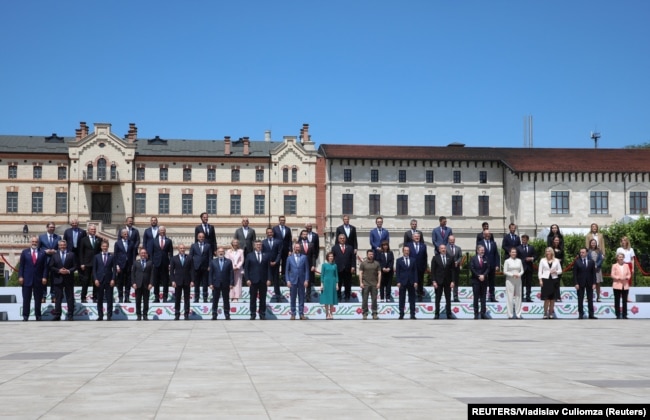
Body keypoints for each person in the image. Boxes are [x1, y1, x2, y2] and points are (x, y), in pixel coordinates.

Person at [18, 236, 48, 321]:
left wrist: (44, 277)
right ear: (30, 242)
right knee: (26, 299)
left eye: (36, 242)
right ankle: (25, 316)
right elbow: (21, 266)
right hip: (26, 280)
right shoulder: (25, 252)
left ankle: (38, 315)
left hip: (38, 280)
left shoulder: (42, 252)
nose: (34, 243)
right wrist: (20, 276)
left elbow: (45, 267)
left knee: (38, 299)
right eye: (33, 242)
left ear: (38, 243)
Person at [49, 239, 77, 321]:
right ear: (58, 246)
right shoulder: (54, 255)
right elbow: (51, 266)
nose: (62, 246)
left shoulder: (71, 254)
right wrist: (59, 270)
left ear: (66, 245)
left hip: (68, 279)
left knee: (70, 298)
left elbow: (75, 266)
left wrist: (68, 271)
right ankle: (57, 315)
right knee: (58, 298)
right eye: (61, 245)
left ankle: (70, 315)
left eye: (64, 245)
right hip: (58, 279)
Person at [244, 240, 271, 320]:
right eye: (257, 245)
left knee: (263, 298)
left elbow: (269, 268)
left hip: (263, 280)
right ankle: (253, 314)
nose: (259, 246)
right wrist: (247, 279)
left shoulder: (266, 255)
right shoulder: (249, 255)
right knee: (253, 298)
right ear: (254, 246)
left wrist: (269, 279)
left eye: (260, 245)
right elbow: (246, 268)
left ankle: (262, 314)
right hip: (253, 280)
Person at [147, 226, 173, 303]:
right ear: (158, 232)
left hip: (165, 263)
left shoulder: (169, 241)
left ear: (165, 231)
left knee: (165, 281)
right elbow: (151, 253)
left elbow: (171, 253)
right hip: (156, 263)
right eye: (161, 230)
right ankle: (156, 297)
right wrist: (152, 262)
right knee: (156, 281)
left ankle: (165, 297)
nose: (162, 232)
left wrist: (170, 263)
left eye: (163, 230)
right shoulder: (154, 241)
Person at [79, 224, 102, 303]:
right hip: (86, 263)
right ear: (88, 231)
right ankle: (83, 297)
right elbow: (81, 252)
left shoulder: (99, 239)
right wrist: (82, 263)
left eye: (94, 229)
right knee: (86, 281)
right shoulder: (83, 240)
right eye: (92, 229)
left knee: (95, 281)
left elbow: (100, 251)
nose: (93, 231)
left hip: (96, 264)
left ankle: (95, 297)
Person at [286, 243, 310, 320]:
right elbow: (286, 271)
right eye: (296, 247)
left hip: (302, 281)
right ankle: (293, 314)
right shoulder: (289, 258)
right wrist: (288, 280)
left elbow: (307, 270)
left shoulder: (304, 257)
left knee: (302, 298)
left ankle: (301, 314)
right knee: (293, 298)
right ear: (294, 248)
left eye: (298, 247)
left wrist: (306, 280)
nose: (297, 249)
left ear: (300, 248)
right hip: (292, 280)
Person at [430, 244, 455, 319]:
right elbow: (433, 271)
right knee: (438, 299)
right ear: (439, 250)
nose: (443, 249)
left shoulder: (450, 258)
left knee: (448, 299)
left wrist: (453, 281)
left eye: (444, 248)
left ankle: (449, 314)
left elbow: (453, 271)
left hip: (448, 281)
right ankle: (437, 314)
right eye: (442, 248)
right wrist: (434, 281)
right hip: (438, 282)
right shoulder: (435, 258)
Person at [210, 247, 234, 320]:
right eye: (219, 251)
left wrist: (231, 283)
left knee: (226, 300)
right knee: (215, 300)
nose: (221, 253)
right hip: (216, 283)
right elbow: (211, 273)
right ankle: (214, 314)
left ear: (224, 253)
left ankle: (227, 314)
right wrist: (210, 283)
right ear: (217, 253)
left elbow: (231, 273)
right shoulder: (213, 261)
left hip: (226, 283)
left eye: (222, 251)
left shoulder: (229, 261)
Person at [170, 243, 193, 320]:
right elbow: (171, 271)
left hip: (187, 281)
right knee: (177, 298)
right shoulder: (174, 258)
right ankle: (177, 314)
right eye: (181, 248)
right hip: (177, 281)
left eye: (183, 248)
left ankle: (186, 314)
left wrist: (192, 280)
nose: (182, 250)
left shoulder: (189, 258)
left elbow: (192, 270)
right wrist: (173, 281)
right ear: (178, 249)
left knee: (187, 298)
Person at [93, 240, 114, 321]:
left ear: (108, 247)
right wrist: (95, 279)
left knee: (109, 299)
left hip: (109, 281)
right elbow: (94, 270)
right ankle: (100, 316)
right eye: (103, 246)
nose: (105, 248)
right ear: (101, 247)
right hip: (99, 280)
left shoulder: (111, 256)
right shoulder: (96, 257)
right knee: (100, 299)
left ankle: (109, 316)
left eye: (106, 246)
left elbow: (114, 269)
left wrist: (113, 279)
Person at [38, 222, 60, 303]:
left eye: (53, 227)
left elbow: (61, 248)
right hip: (44, 261)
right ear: (47, 228)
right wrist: (45, 251)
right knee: (44, 278)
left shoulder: (58, 237)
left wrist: (55, 251)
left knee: (54, 279)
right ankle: (43, 296)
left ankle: (53, 296)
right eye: (50, 227)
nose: (52, 228)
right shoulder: (41, 237)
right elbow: (38, 249)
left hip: (55, 261)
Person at [574, 248, 598, 319]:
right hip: (580, 283)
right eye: (580, 252)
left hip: (589, 283)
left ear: (587, 253)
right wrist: (576, 283)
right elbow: (574, 274)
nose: (581, 253)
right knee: (580, 299)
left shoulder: (591, 262)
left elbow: (593, 273)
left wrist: (594, 283)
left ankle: (591, 314)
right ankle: (580, 314)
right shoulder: (577, 262)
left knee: (590, 299)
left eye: (583, 252)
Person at [538, 247, 561, 319]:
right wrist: (540, 280)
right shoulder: (542, 260)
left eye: (549, 251)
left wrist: (555, 272)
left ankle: (551, 313)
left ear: (551, 252)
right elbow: (540, 271)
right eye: (546, 251)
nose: (547, 252)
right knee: (546, 299)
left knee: (552, 299)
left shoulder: (556, 260)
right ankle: (545, 313)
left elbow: (560, 271)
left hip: (554, 280)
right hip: (545, 280)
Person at [332, 233, 356, 302]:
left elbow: (353, 258)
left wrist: (353, 266)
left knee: (347, 284)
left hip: (348, 269)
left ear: (345, 239)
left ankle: (347, 297)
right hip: (338, 269)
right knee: (338, 284)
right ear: (338, 240)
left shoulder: (350, 247)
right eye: (341, 238)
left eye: (343, 238)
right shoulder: (334, 248)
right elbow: (332, 258)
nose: (342, 239)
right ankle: (338, 297)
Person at [396, 246, 417, 319]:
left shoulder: (413, 260)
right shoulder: (399, 260)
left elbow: (415, 271)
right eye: (405, 250)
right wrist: (398, 281)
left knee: (412, 299)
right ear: (403, 251)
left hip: (411, 281)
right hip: (402, 282)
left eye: (408, 250)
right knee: (402, 299)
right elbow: (397, 272)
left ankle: (412, 314)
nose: (406, 252)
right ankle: (401, 314)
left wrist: (415, 281)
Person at [359, 249, 381, 320]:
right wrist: (361, 282)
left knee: (374, 299)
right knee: (365, 299)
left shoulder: (376, 263)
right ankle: (365, 313)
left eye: (372, 254)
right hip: (365, 284)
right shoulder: (363, 263)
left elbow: (379, 273)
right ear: (367, 255)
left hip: (374, 284)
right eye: (369, 254)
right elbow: (360, 273)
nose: (371, 255)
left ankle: (374, 313)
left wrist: (379, 283)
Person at [190, 232, 212, 303]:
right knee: (197, 284)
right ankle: (196, 298)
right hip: (196, 267)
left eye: (202, 237)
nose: (201, 238)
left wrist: (209, 265)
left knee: (205, 283)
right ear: (197, 237)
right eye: (200, 237)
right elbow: (191, 256)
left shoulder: (208, 246)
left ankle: (205, 298)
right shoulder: (193, 246)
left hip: (205, 267)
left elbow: (210, 257)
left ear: (204, 238)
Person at [114, 228, 135, 303]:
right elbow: (115, 255)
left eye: (127, 234)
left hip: (129, 265)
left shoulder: (131, 243)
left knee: (128, 282)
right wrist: (116, 265)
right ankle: (120, 297)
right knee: (120, 281)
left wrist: (133, 264)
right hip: (120, 265)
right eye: (125, 234)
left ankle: (127, 298)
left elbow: (133, 255)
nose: (126, 235)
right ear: (121, 235)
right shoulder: (117, 243)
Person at [132, 248, 153, 321]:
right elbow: (133, 274)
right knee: (138, 301)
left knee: (146, 300)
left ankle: (145, 315)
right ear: (139, 254)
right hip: (138, 284)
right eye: (142, 253)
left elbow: (152, 274)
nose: (143, 254)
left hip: (146, 285)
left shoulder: (150, 263)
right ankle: (138, 315)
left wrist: (151, 283)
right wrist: (133, 283)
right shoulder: (136, 262)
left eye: (144, 253)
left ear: (146, 254)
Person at [297, 229, 318, 302]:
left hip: (309, 265)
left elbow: (313, 256)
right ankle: (301, 296)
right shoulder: (298, 244)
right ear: (301, 235)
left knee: (308, 281)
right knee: (300, 281)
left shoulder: (311, 244)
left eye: (306, 234)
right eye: (303, 234)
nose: (305, 235)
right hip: (300, 266)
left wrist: (313, 265)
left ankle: (308, 296)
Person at [503, 248, 524, 319]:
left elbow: (522, 270)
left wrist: (519, 274)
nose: (514, 253)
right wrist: (512, 275)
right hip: (510, 280)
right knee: (510, 297)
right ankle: (510, 314)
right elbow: (505, 271)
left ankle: (518, 314)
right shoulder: (507, 261)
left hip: (518, 279)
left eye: (515, 252)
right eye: (512, 252)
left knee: (518, 296)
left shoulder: (519, 260)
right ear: (509, 253)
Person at [262, 227, 282, 302]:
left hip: (275, 264)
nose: (270, 234)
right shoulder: (263, 242)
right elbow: (262, 253)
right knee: (265, 280)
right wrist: (268, 262)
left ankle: (278, 296)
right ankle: (263, 296)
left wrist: (276, 262)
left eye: (271, 232)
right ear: (266, 233)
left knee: (276, 281)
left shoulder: (278, 242)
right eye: (268, 232)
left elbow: (279, 253)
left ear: (273, 233)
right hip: (266, 265)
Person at [470, 245, 490, 319]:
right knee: (476, 298)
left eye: (483, 250)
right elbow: (472, 268)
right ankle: (476, 313)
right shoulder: (473, 259)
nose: (483, 251)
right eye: (481, 250)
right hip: (476, 281)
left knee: (483, 298)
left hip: (484, 281)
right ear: (477, 251)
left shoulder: (486, 258)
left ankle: (483, 313)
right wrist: (479, 276)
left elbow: (488, 268)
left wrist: (483, 275)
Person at [408, 232, 428, 302]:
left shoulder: (423, 246)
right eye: (415, 237)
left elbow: (425, 257)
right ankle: (411, 296)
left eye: (418, 237)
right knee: (411, 282)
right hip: (411, 267)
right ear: (412, 238)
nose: (417, 238)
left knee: (420, 282)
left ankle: (420, 296)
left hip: (420, 267)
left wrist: (425, 266)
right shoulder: (408, 245)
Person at [481, 229, 499, 302]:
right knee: (483, 282)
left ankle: (492, 297)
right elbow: (478, 255)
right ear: (483, 235)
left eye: (489, 234)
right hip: (483, 266)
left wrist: (497, 264)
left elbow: (496, 255)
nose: (487, 235)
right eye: (486, 234)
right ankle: (482, 297)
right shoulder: (480, 243)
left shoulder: (493, 243)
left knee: (492, 282)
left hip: (492, 266)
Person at [611, 252, 631, 319]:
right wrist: (618, 278)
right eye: (619, 257)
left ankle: (624, 315)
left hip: (625, 285)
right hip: (617, 284)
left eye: (622, 257)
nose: (621, 258)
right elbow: (612, 275)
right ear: (617, 258)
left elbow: (629, 274)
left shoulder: (626, 265)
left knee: (624, 301)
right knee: (617, 301)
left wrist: (627, 277)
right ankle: (618, 314)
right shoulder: (614, 265)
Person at [319, 252, 339, 320]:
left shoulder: (335, 265)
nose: (331, 257)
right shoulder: (324, 265)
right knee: (326, 299)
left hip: (333, 282)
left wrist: (337, 284)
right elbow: (322, 275)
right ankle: (327, 313)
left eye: (332, 256)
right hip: (326, 282)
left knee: (332, 298)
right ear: (327, 257)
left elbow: (336, 275)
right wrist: (321, 284)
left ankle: (331, 313)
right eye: (330, 256)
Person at [516, 234, 536, 302]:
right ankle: (521, 297)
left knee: (529, 284)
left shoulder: (531, 247)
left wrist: (532, 258)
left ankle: (528, 297)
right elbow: (516, 258)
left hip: (529, 268)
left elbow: (535, 256)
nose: (523, 241)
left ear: (527, 240)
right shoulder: (518, 248)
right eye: (522, 240)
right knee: (521, 283)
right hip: (521, 268)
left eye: (525, 240)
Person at [272, 215, 292, 281]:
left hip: (285, 250)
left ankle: (284, 279)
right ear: (279, 221)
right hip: (277, 250)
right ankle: (276, 279)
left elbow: (290, 240)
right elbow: (273, 239)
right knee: (276, 263)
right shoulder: (275, 228)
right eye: (281, 220)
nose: (282, 221)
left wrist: (290, 250)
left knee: (285, 265)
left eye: (283, 220)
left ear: (285, 221)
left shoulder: (288, 229)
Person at [304, 223, 320, 299]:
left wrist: (316, 256)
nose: (309, 228)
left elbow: (317, 246)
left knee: (312, 270)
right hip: (304, 257)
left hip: (312, 256)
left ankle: (312, 282)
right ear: (306, 227)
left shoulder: (315, 235)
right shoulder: (303, 234)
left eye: (310, 226)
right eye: (308, 227)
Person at [447, 235, 462, 302]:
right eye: (450, 240)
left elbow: (460, 257)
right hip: (448, 269)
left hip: (456, 268)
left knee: (455, 282)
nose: (452, 241)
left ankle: (455, 297)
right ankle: (448, 296)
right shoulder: (445, 248)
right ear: (448, 240)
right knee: (448, 283)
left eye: (453, 240)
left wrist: (457, 262)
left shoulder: (458, 248)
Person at [550, 235, 565, 302]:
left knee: (557, 282)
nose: (556, 241)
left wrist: (560, 260)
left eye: (558, 240)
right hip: (551, 268)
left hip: (558, 268)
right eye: (555, 240)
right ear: (553, 241)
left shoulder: (561, 249)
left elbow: (563, 258)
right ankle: (552, 296)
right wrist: (555, 260)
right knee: (552, 282)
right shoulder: (550, 249)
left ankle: (557, 296)